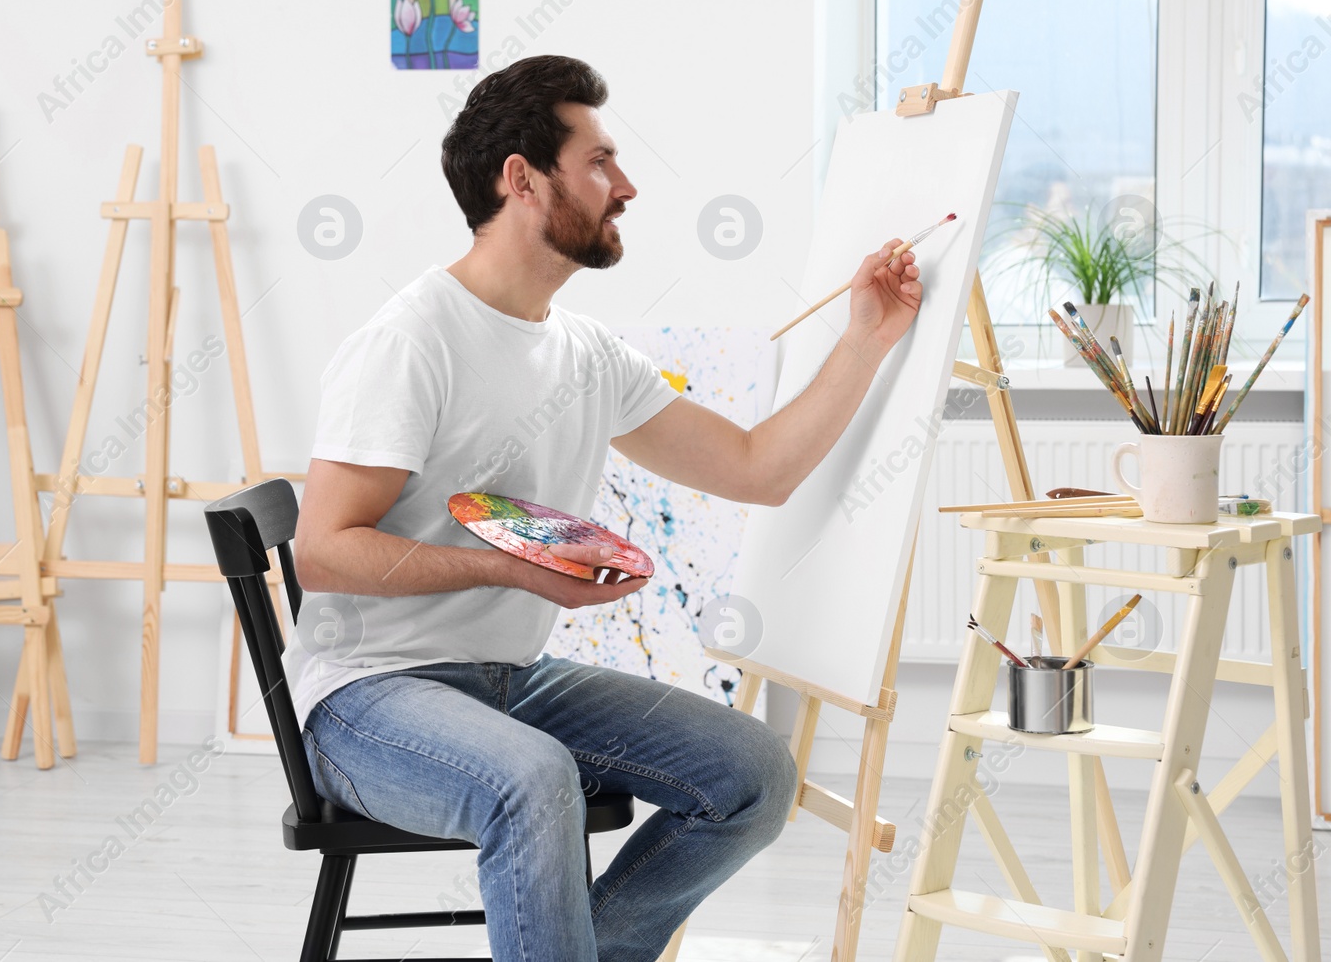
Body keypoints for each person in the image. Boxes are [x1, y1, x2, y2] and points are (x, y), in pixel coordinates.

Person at [283, 54, 922, 962]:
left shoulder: (587, 353)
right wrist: (511, 566)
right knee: (532, 779)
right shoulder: (410, 341)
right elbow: (323, 552)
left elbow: (756, 467)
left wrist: (866, 338)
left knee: (754, 773)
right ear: (523, 180)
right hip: (367, 697)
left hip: (506, 683)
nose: (625, 187)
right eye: (600, 163)